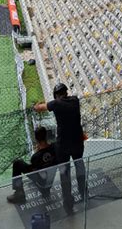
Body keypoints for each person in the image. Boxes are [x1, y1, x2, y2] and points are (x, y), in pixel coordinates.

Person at [34, 83, 86, 214]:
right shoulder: (75, 100)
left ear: (56, 95)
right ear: (66, 92)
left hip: (63, 145)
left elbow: (39, 108)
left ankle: (68, 204)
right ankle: (84, 192)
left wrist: (37, 105)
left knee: (65, 174)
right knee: (80, 166)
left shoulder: (56, 104)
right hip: (77, 142)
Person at [7, 126, 57, 204]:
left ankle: (19, 194)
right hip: (49, 183)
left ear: (36, 139)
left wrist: (37, 152)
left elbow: (34, 171)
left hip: (41, 184)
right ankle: (45, 191)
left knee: (17, 163)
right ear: (46, 136)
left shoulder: (36, 157)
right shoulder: (54, 148)